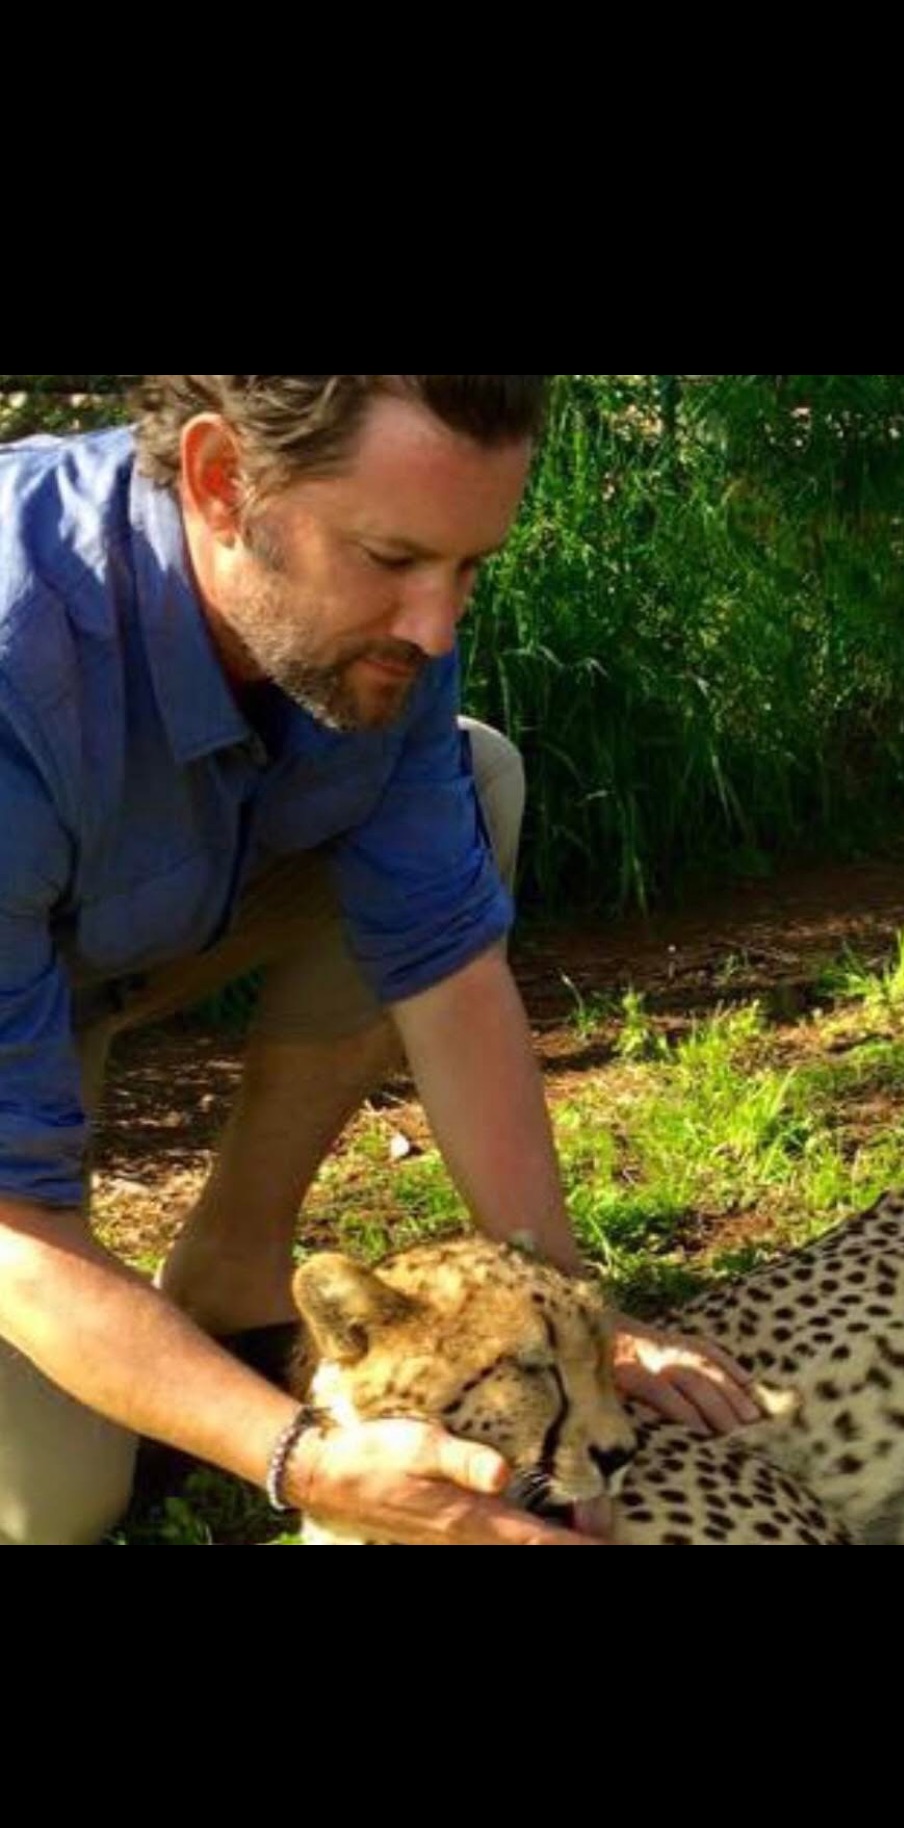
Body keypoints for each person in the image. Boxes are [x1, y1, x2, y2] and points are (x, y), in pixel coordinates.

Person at [0, 374, 760, 1548]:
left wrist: (578, 1325)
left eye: (468, 569)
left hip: (85, 935)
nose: (439, 624)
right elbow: (10, 1226)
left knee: (476, 776)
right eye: (394, 558)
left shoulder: (393, 622)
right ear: (219, 483)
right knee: (54, 1510)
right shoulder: (16, 654)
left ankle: (231, 1272)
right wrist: (300, 1458)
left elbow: (447, 968)